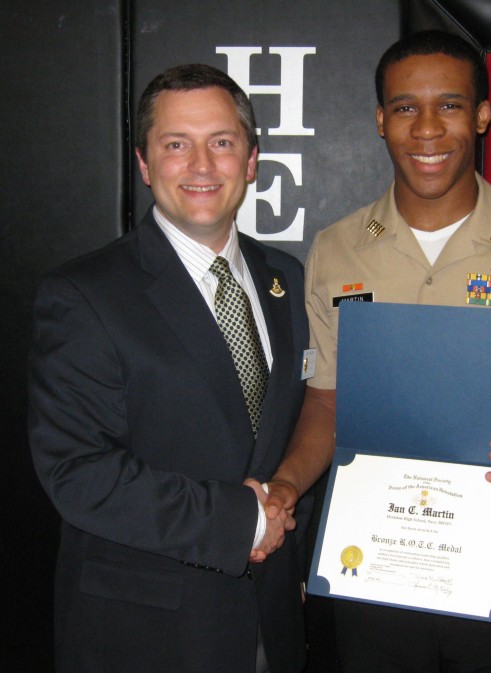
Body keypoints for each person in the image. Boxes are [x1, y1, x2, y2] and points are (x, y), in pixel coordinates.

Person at [265, 30, 491, 672]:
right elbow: (326, 399)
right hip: (373, 552)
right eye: (405, 108)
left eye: (450, 105)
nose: (427, 128)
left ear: (482, 115)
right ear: (380, 121)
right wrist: (288, 484)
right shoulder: (336, 250)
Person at [28, 64, 309, 673]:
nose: (202, 166)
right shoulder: (83, 294)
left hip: (273, 622)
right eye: (176, 145)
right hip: (145, 635)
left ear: (252, 159)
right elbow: (77, 472)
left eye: (222, 143)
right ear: (145, 164)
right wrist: (241, 520)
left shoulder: (287, 277)